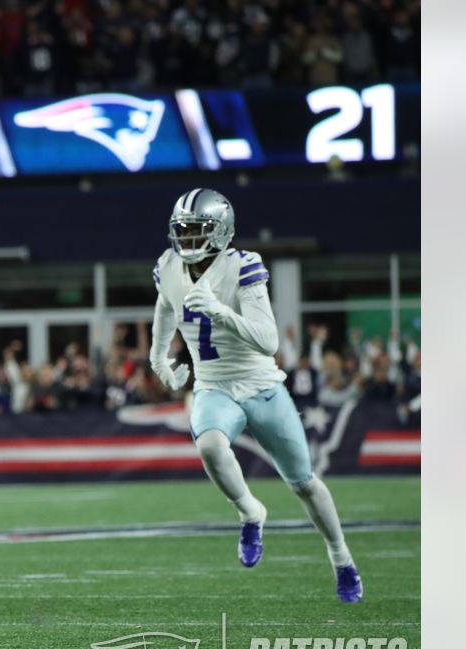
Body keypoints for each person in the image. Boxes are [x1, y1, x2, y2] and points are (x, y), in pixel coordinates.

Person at [149, 188, 362, 603]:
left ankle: (341, 558)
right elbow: (165, 306)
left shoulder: (243, 266)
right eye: (183, 230)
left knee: (303, 483)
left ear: (221, 231)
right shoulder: (169, 265)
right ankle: (250, 511)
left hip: (261, 385)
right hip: (213, 384)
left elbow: (268, 340)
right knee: (210, 444)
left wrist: (219, 311)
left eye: (196, 230)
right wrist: (158, 356)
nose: (187, 239)